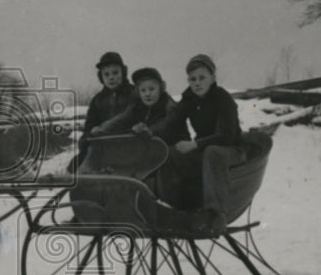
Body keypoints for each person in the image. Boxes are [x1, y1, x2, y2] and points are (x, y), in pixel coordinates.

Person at [168, 54, 245, 236]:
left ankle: (215, 215)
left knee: (212, 153)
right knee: (172, 153)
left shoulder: (223, 99)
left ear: (213, 78)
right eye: (192, 79)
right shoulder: (189, 99)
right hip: (206, 150)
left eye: (202, 78)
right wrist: (147, 131)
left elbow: (227, 136)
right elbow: (171, 122)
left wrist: (195, 144)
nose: (197, 83)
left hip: (233, 150)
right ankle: (178, 208)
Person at [91, 67, 190, 201]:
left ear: (161, 88)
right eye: (143, 90)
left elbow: (168, 123)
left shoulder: (168, 105)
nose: (147, 94)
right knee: (125, 163)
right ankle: (118, 200)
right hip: (151, 150)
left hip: (173, 149)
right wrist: (102, 129)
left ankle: (161, 201)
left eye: (151, 89)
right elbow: (121, 119)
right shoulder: (137, 107)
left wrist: (150, 130)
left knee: (159, 168)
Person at [72, 51, 134, 170]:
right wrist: (88, 137)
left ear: (123, 72)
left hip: (129, 144)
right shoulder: (98, 100)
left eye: (115, 73)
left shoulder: (133, 94)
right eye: (106, 74)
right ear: (101, 77)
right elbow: (90, 126)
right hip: (104, 147)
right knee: (76, 166)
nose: (111, 77)